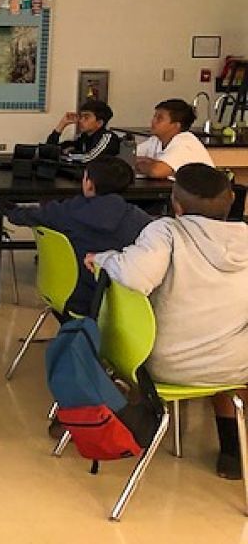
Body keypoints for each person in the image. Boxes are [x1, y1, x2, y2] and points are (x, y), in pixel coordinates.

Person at [87, 164, 248, 479]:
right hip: (230, 365)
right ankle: (233, 450)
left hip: (163, 364)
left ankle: (136, 417)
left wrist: (104, 258)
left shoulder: (167, 232)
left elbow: (133, 276)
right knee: (231, 352)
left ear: (176, 205)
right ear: (231, 200)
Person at [6, 156, 152, 315]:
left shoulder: (68, 211)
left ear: (89, 184)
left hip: (73, 297)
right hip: (125, 306)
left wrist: (10, 209)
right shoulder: (141, 220)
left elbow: (23, 216)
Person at [135, 98, 213, 179]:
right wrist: (146, 163)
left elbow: (156, 171)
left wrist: (141, 163)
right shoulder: (156, 140)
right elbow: (129, 155)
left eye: (159, 118)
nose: (153, 121)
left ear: (176, 125)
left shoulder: (185, 143)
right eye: (154, 116)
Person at [46, 99, 121, 162]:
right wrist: (62, 124)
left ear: (99, 123)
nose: (80, 120)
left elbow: (89, 158)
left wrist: (64, 156)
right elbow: (49, 149)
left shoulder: (108, 138)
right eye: (81, 117)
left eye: (86, 117)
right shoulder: (84, 137)